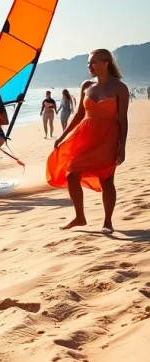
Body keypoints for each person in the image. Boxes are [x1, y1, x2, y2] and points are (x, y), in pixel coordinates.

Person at [47, 49, 129, 234]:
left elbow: (122, 119)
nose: (89, 66)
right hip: (86, 135)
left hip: (108, 136)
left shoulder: (119, 88)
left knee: (107, 179)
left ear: (106, 63)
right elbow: (79, 115)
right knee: (72, 174)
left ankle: (107, 221)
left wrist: (122, 146)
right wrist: (62, 136)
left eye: (93, 62)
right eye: (88, 63)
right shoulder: (86, 85)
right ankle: (80, 217)